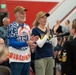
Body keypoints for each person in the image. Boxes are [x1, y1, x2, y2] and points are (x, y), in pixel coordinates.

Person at [7, 6, 39, 75]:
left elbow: (27, 41)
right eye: (22, 13)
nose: (24, 15)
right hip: (16, 59)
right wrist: (26, 43)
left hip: (26, 59)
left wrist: (31, 41)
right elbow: (12, 42)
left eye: (24, 13)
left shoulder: (27, 26)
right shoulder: (12, 26)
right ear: (16, 15)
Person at [31, 11, 54, 75]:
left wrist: (53, 36)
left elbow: (53, 44)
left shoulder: (49, 30)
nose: (45, 20)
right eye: (43, 18)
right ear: (38, 20)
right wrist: (47, 34)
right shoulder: (35, 30)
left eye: (46, 18)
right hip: (40, 58)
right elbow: (40, 44)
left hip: (50, 56)